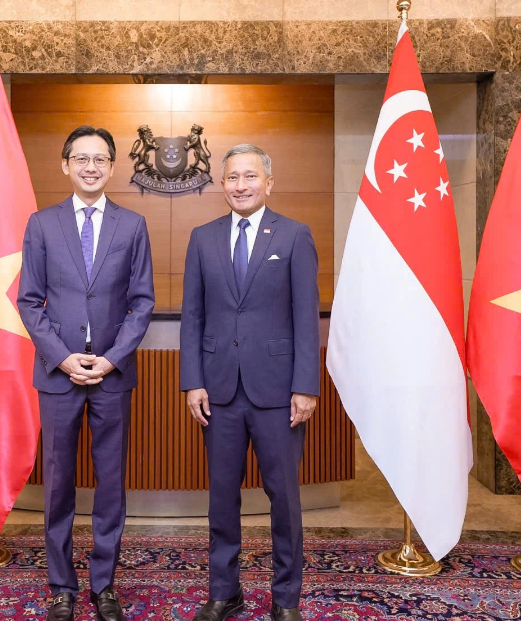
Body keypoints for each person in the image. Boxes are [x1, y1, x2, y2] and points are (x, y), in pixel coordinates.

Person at [18, 125, 155, 621]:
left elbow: (142, 303)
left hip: (113, 375)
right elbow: (29, 301)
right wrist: (63, 357)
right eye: (81, 158)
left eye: (100, 159)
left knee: (111, 483)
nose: (91, 167)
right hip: (58, 376)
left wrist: (113, 357)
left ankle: (104, 584)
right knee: (57, 483)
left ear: (113, 167)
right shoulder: (42, 224)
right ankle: (61, 586)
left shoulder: (133, 224)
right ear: (65, 165)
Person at [180, 144, 320, 621]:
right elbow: (193, 317)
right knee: (222, 497)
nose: (241, 185)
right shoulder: (202, 238)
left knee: (284, 499)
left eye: (250, 176)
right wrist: (192, 382)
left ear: (269, 182)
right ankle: (225, 592)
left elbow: (306, 317)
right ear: (222, 185)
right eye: (233, 177)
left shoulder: (296, 236)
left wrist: (306, 385)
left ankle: (286, 599)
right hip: (217, 392)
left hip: (279, 393)